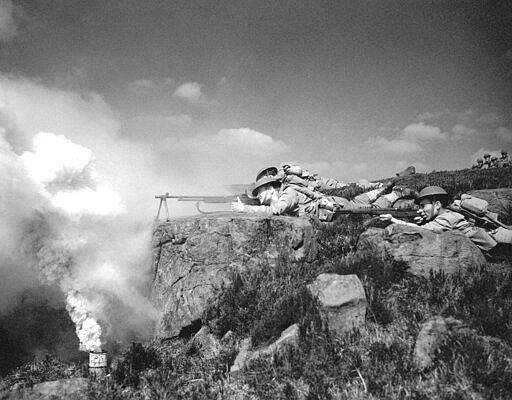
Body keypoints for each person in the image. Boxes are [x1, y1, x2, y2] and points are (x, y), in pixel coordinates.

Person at [379, 186, 512, 252]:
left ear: (437, 205)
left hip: (498, 246)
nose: (419, 210)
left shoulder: (447, 218)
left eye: (423, 206)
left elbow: (422, 230)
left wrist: (393, 220)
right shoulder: (450, 213)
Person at [231, 174, 417, 217]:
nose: (259, 195)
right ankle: (385, 188)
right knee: (356, 201)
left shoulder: (287, 194)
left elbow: (275, 210)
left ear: (271, 188)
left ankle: (394, 194)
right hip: (334, 202)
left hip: (331, 207)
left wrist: (245, 208)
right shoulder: (286, 192)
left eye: (261, 191)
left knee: (371, 210)